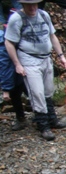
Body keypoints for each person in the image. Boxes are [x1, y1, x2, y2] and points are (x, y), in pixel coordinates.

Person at [4, 0, 66, 141]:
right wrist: (17, 64)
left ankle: (52, 119)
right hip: (28, 59)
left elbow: (52, 36)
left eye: (35, 4)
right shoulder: (16, 19)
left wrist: (61, 56)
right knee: (37, 92)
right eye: (29, 5)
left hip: (46, 58)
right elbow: (9, 42)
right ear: (23, 4)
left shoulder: (44, 15)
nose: (33, 7)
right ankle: (43, 125)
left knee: (48, 90)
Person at [0, 3, 28, 131]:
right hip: (19, 67)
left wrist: (6, 88)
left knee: (21, 90)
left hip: (22, 67)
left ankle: (41, 118)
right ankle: (41, 118)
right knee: (19, 91)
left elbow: (5, 64)